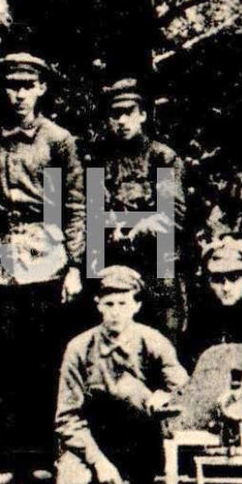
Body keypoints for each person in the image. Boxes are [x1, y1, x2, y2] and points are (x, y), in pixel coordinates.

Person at [0, 52, 86, 484]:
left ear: (41, 89)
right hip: (1, 250)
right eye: (12, 86)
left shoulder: (58, 141)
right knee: (5, 358)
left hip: (45, 249)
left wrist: (77, 264)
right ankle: (4, 459)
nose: (19, 94)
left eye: (28, 86)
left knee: (43, 360)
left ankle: (43, 457)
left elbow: (76, 204)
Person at [54, 266, 188, 484]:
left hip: (142, 438)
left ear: (137, 306)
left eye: (123, 304)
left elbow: (185, 390)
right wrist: (98, 462)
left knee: (130, 388)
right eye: (109, 304)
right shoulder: (79, 348)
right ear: (98, 304)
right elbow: (67, 418)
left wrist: (165, 396)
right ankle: (112, 475)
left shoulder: (154, 341)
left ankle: (141, 476)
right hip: (96, 437)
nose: (115, 312)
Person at [82, 78, 187, 337]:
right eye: (115, 114)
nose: (122, 121)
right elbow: (93, 214)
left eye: (128, 113)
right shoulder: (98, 161)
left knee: (163, 337)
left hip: (157, 261)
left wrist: (138, 228)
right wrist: (112, 231)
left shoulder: (162, 158)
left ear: (142, 115)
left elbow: (172, 215)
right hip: (114, 259)